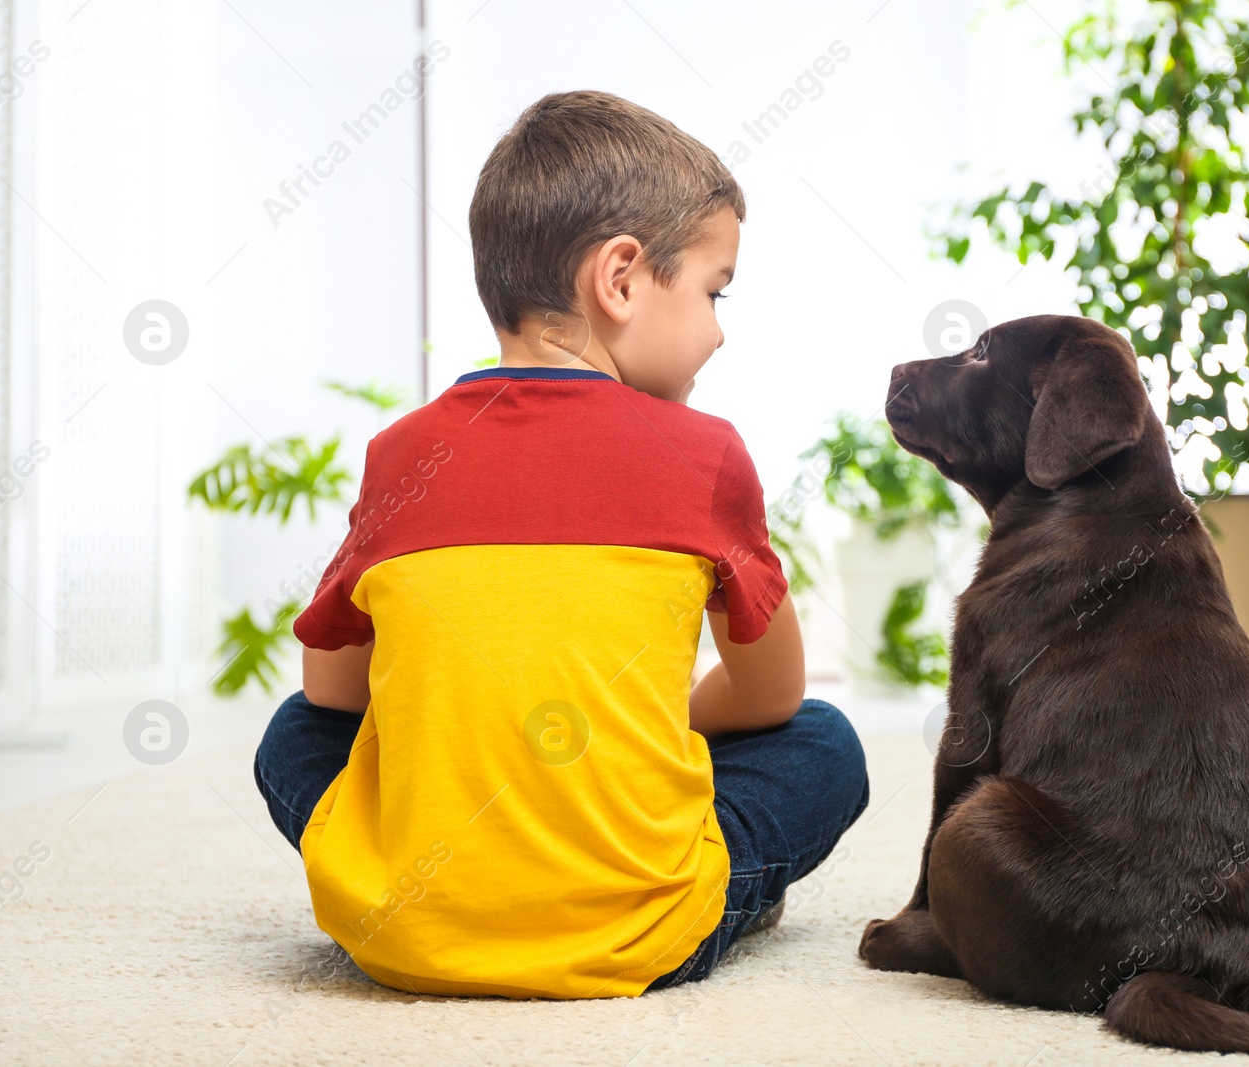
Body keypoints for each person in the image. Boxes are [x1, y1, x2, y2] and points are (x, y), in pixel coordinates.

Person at [252, 90, 869, 999]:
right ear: (620, 279)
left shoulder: (401, 456)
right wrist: (645, 728)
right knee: (824, 742)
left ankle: (434, 902)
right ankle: (706, 902)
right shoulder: (708, 456)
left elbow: (331, 694)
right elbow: (771, 694)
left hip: (404, 933)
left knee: (291, 737)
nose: (719, 328)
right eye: (713, 290)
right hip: (643, 936)